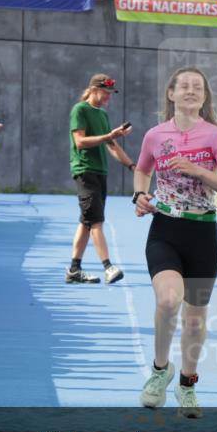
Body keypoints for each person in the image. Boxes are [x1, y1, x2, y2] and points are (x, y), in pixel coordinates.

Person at [132, 67, 217, 418]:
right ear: (171, 94)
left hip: (203, 233)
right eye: (185, 86)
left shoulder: (215, 137)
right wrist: (139, 194)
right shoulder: (154, 135)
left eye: (198, 87)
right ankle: (160, 371)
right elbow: (142, 168)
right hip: (165, 229)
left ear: (204, 97)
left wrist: (199, 171)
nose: (191, 91)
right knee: (167, 300)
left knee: (194, 322)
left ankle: (187, 384)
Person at [67, 73, 133, 285]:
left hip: (100, 172)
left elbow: (112, 146)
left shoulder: (102, 115)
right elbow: (80, 141)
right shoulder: (80, 110)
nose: (109, 97)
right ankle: (108, 267)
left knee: (87, 222)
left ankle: (74, 269)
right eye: (106, 92)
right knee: (96, 221)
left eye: (111, 94)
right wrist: (108, 136)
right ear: (94, 90)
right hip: (85, 170)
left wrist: (132, 166)